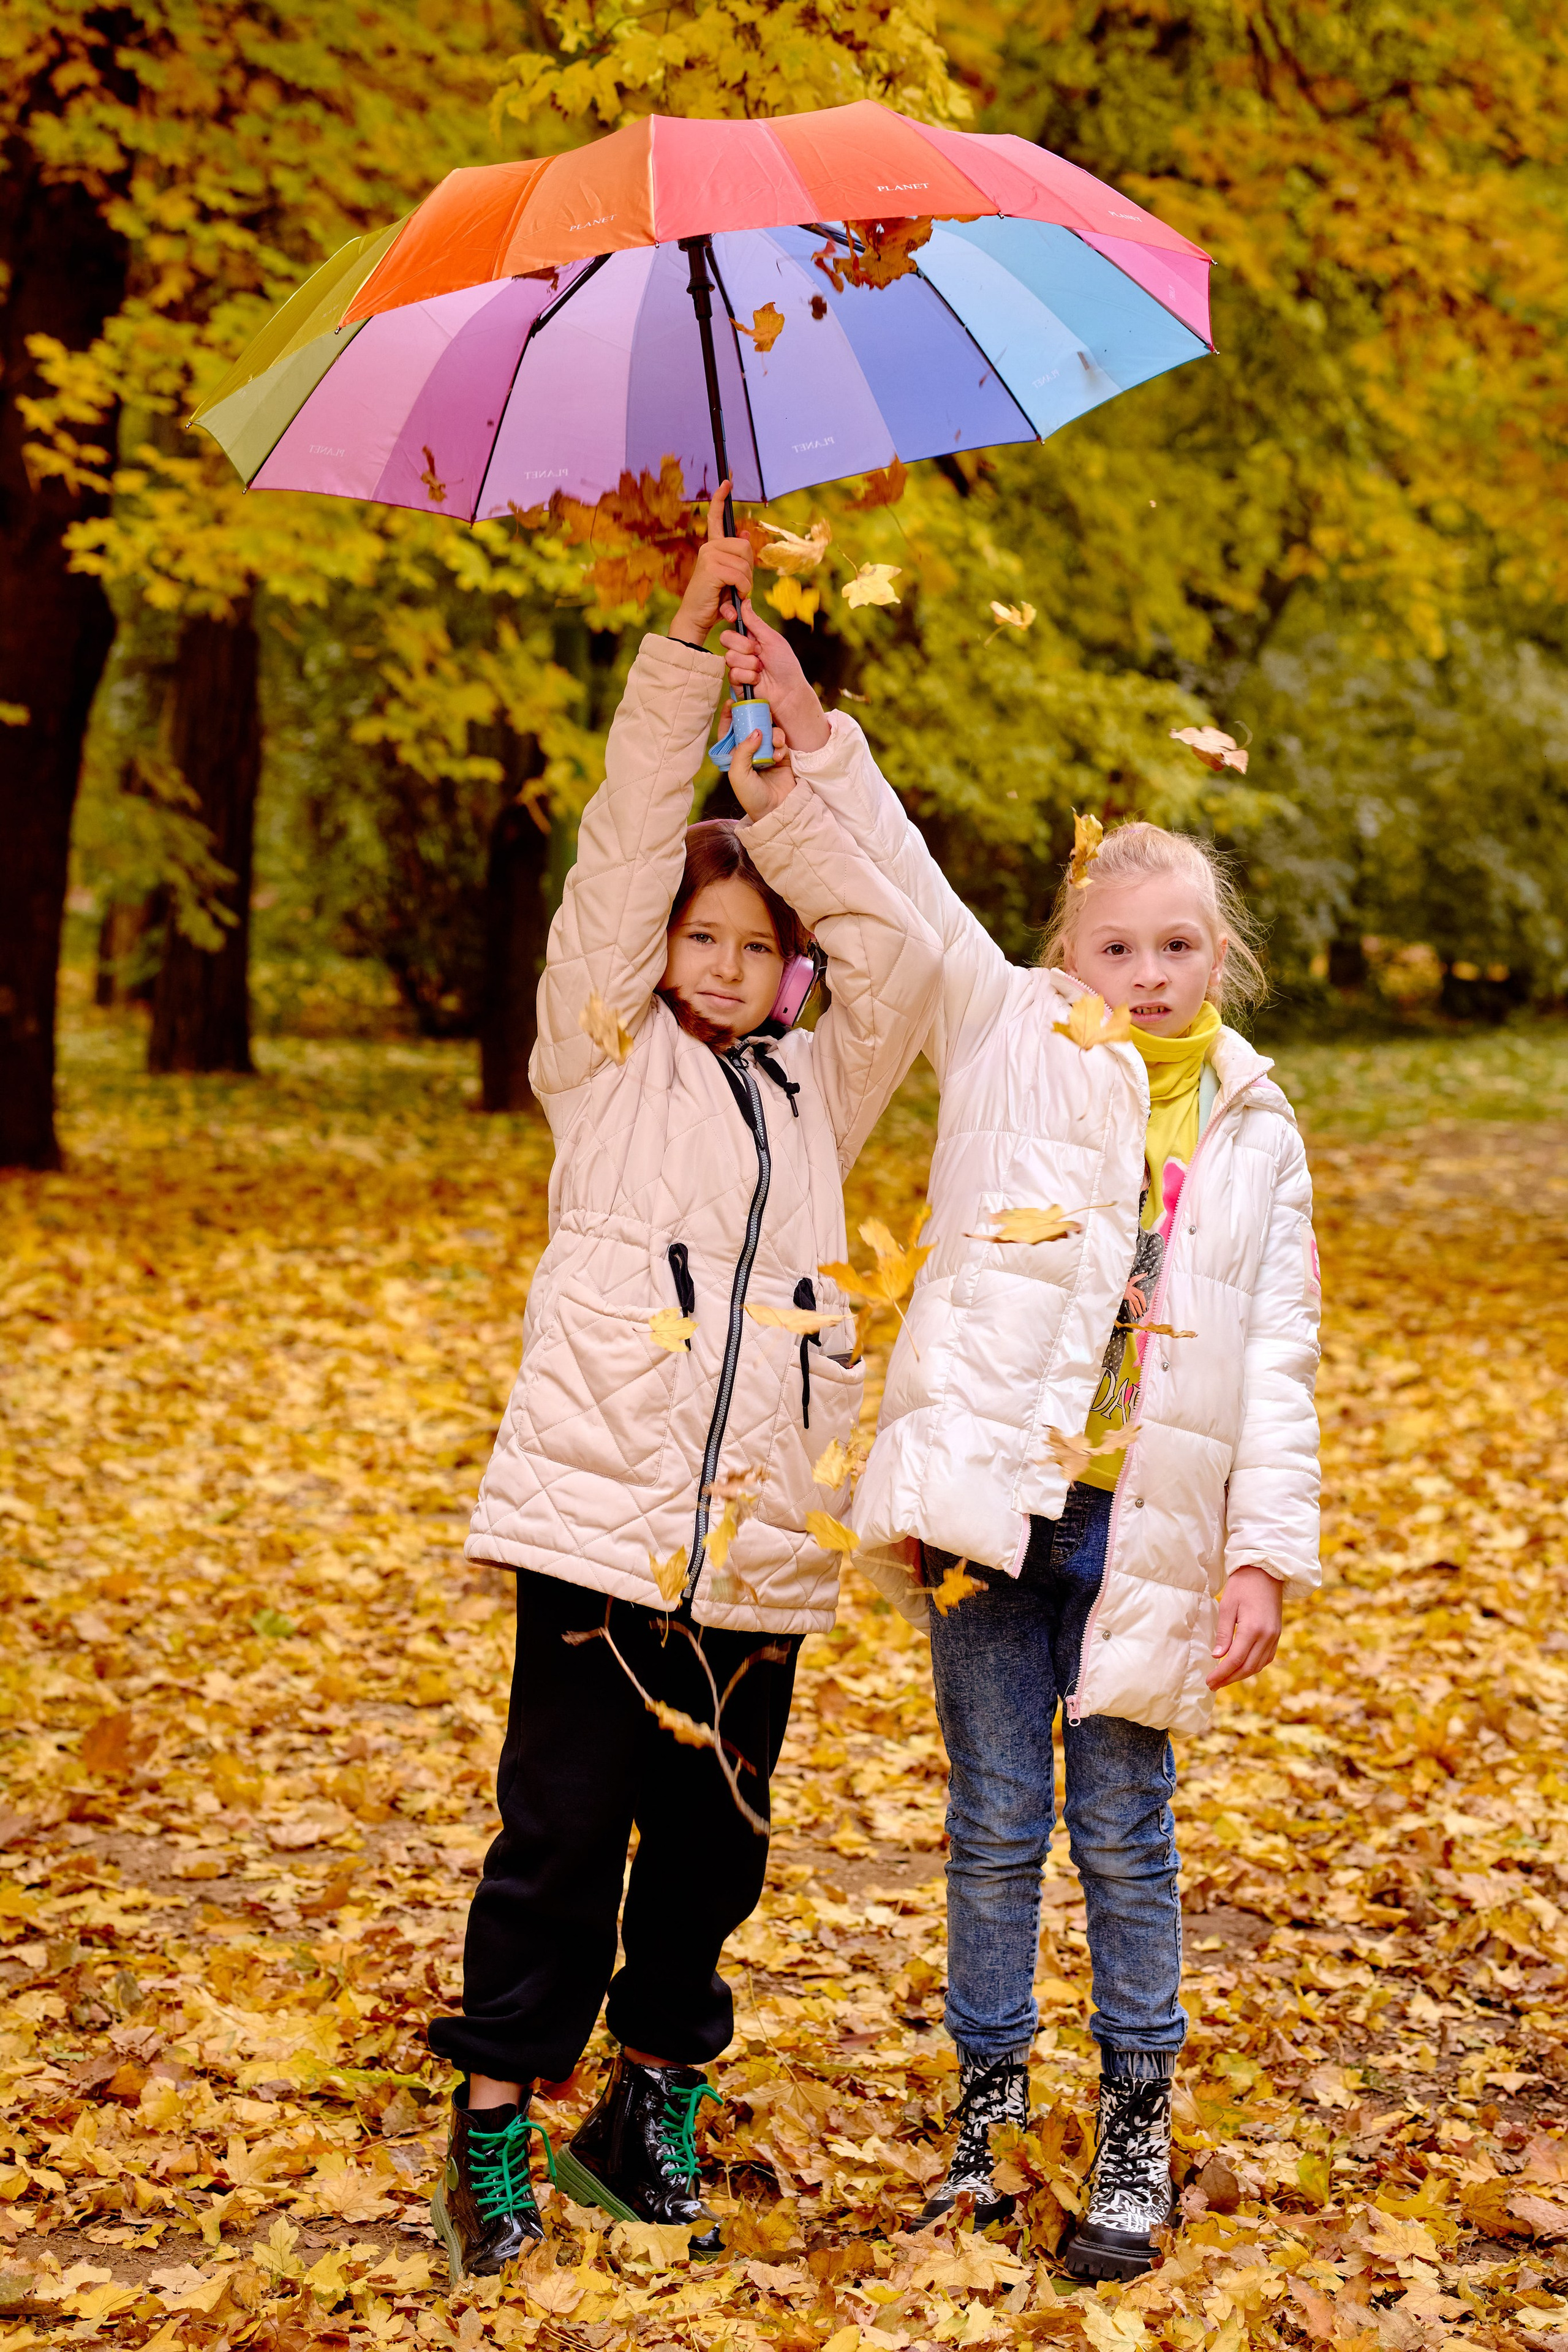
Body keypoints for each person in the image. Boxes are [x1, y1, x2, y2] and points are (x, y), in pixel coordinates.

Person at [722, 606, 1321, 2282]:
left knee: (1123, 1827)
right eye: (1118, 948)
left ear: (1222, 956)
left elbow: (1278, 1351)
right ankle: (981, 2126)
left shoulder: (1257, 1128)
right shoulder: (1005, 1033)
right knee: (994, 1820)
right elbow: (898, 874)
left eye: (1179, 947)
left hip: (1150, 1533)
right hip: (992, 1513)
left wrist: (1267, 1552)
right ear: (1071, 957)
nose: (1148, 974)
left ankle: (1137, 2127)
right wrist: (800, 721)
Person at [425, 503, 941, 2282]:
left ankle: (649, 2106)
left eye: (753, 942)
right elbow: (622, 854)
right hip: (595, 1528)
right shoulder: (604, 1058)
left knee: (710, 1855)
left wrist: (799, 753)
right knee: (559, 1835)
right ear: (661, 952)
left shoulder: (818, 1095)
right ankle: (492, 2119)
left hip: (757, 1548)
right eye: (700, 937)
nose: (722, 963)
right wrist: (676, 660)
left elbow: (910, 954)